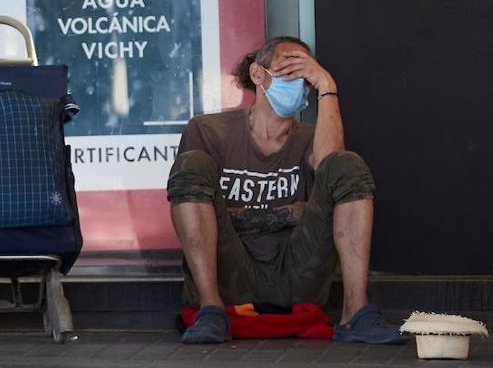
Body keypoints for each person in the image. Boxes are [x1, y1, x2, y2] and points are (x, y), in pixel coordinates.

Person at [166, 36, 405, 345]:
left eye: (303, 75)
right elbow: (198, 211)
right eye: (287, 71)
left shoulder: (311, 138)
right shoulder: (209, 130)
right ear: (258, 74)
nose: (296, 81)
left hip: (297, 274)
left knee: (348, 165)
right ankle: (211, 311)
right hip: (230, 275)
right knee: (191, 165)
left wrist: (326, 85)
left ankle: (355, 313)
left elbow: (330, 164)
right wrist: (290, 212)